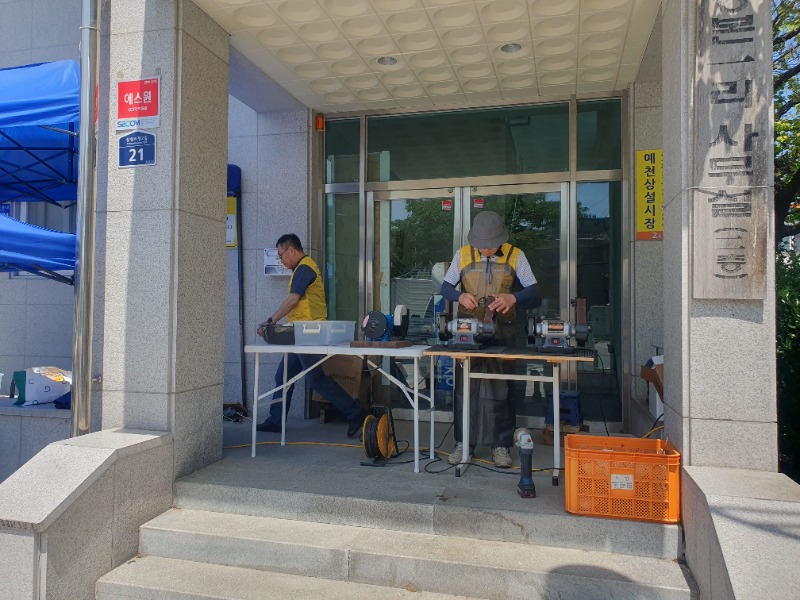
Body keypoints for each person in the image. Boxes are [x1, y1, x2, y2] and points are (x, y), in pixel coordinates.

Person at [439, 211, 541, 468]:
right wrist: (459, 296)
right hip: (467, 332)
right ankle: (464, 443)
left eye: (491, 245)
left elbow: (534, 293)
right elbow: (445, 288)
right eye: (481, 245)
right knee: (465, 388)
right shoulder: (462, 255)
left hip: (502, 332)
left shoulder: (516, 255)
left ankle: (501, 445)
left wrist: (514, 298)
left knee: (501, 388)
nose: (486, 250)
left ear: (501, 239)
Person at [256, 234, 367, 438]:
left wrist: (270, 321)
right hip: (300, 334)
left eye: (281, 255)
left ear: (291, 250)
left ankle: (355, 413)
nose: (281, 260)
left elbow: (293, 300)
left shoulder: (305, 268)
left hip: (309, 334)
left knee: (316, 380)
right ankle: (276, 420)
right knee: (284, 376)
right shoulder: (302, 269)